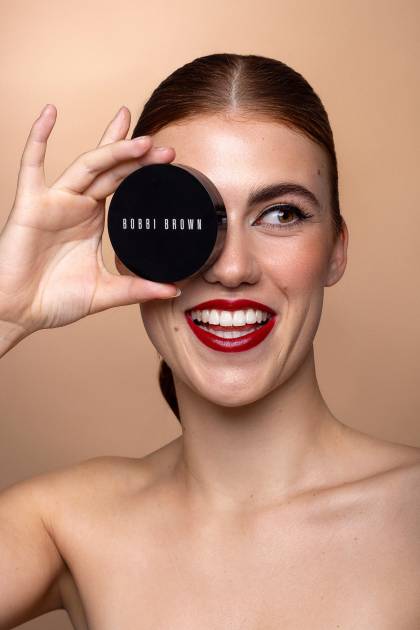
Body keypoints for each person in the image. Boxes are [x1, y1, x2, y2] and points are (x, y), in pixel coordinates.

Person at [0, 53, 419, 630]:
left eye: (280, 214)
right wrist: (6, 312)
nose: (232, 268)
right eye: (192, 217)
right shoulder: (62, 525)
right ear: (131, 249)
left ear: (336, 250)